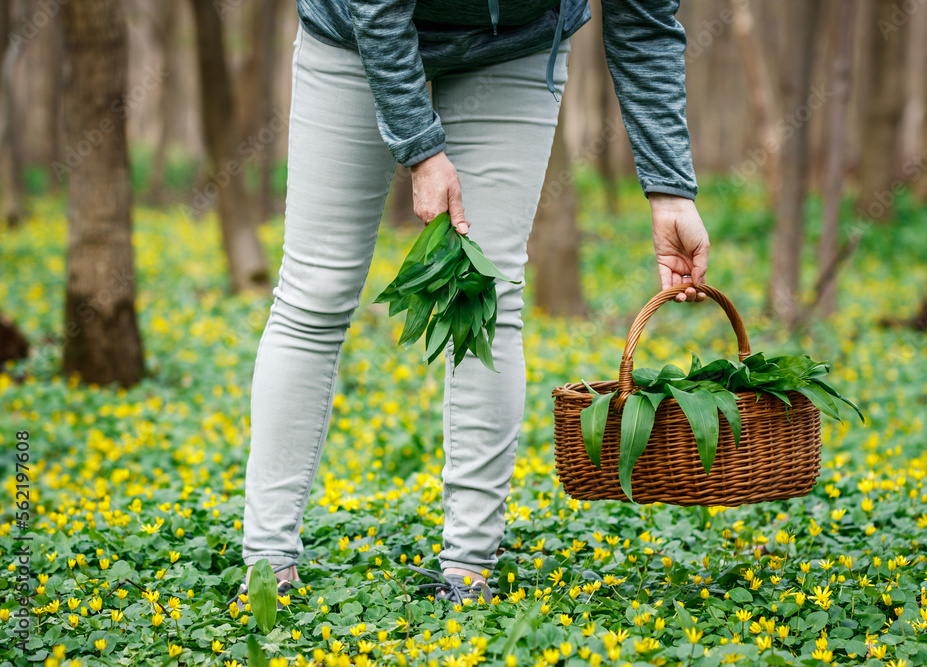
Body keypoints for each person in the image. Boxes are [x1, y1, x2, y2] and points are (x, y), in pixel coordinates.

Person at [227, 0, 709, 610]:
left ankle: (468, 566)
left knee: (491, 294)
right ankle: (268, 564)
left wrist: (670, 190)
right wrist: (421, 149)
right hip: (354, 28)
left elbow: (644, 21)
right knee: (315, 295)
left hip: (514, 45)